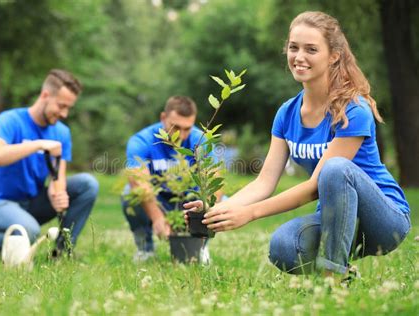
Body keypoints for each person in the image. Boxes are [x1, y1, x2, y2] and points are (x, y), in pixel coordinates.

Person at [185, 11, 411, 277]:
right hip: (333, 221)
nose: (299, 57)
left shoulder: (353, 110)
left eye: (311, 49)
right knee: (283, 246)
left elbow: (313, 187)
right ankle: (344, 272)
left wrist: (251, 213)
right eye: (294, 47)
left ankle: (332, 277)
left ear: (334, 56)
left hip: (383, 220)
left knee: (335, 169)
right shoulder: (287, 113)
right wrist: (221, 209)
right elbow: (264, 181)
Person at [0, 69, 99, 259]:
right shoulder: (10, 120)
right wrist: (37, 145)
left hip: (32, 204)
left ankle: (61, 253)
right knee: (29, 230)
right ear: (45, 95)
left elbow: (58, 175)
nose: (64, 113)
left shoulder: (61, 133)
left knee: (87, 184)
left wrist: (57, 192)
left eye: (68, 108)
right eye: (61, 106)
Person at [122, 96, 219, 262]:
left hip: (191, 200)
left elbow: (213, 182)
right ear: (163, 118)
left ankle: (200, 248)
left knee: (222, 200)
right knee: (129, 195)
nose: (181, 135)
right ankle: (145, 249)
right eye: (176, 127)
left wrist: (204, 213)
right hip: (157, 198)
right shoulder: (142, 141)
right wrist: (157, 218)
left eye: (187, 128)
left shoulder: (200, 141)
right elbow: (138, 181)